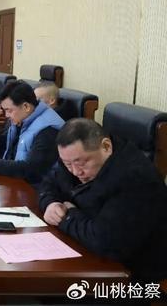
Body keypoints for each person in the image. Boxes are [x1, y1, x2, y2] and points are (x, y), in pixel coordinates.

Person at [39, 118, 167, 282]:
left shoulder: (135, 178)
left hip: (132, 276)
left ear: (106, 146)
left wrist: (68, 216)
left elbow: (105, 241)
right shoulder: (74, 156)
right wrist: (50, 203)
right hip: (86, 253)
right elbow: (48, 183)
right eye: (67, 164)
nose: (76, 172)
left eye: (82, 163)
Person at [0, 80, 64, 186]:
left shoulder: (48, 129)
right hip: (14, 180)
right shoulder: (22, 119)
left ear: (26, 107)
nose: (6, 115)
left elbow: (31, 170)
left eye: (9, 110)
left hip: (35, 189)